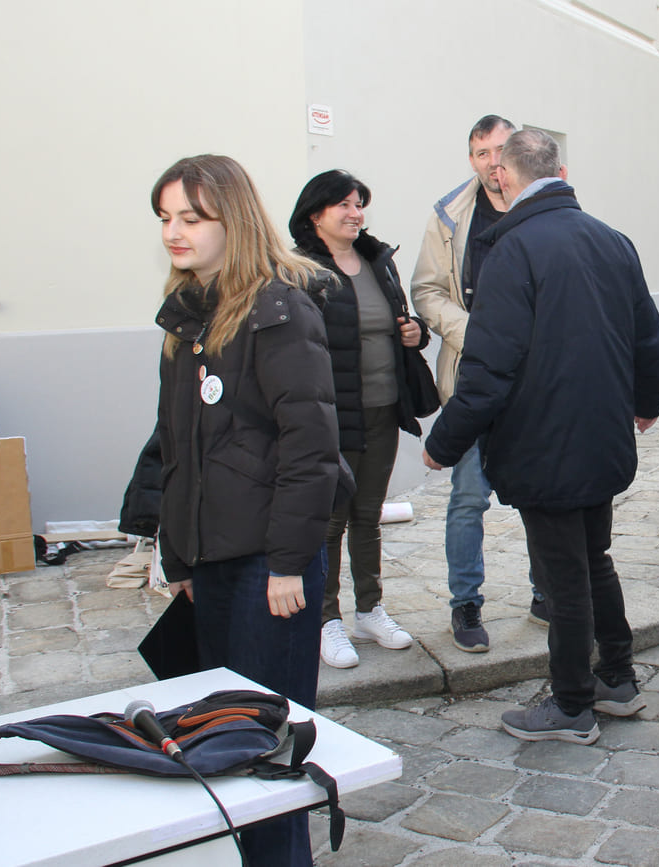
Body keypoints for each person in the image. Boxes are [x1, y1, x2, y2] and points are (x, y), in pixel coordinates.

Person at [422, 129, 659, 744]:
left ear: (504, 176)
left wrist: (443, 442)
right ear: (559, 171)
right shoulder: (612, 241)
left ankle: (570, 706)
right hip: (600, 437)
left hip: (544, 444)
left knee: (565, 578)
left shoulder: (511, 250)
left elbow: (487, 367)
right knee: (594, 563)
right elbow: (653, 342)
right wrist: (645, 405)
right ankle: (615, 682)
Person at [151, 154, 339, 866]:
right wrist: (180, 557)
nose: (175, 231)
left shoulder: (278, 307)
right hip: (213, 564)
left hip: (270, 568)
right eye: (166, 217)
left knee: (269, 756)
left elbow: (312, 444)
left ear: (234, 219)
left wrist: (289, 562)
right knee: (222, 744)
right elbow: (176, 446)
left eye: (192, 217)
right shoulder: (186, 318)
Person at [411, 115, 548, 653]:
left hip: (533, 383)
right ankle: (465, 604)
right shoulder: (449, 215)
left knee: (540, 496)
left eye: (500, 150)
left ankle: (546, 592)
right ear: (471, 160)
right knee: (468, 499)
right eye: (481, 153)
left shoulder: (538, 207)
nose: (493, 162)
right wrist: (478, 332)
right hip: (472, 378)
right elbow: (426, 290)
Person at [289, 170, 427, 670]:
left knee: (368, 514)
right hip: (330, 413)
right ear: (315, 215)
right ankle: (326, 619)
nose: (355, 213)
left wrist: (416, 331)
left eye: (359, 204)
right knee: (330, 520)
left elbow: (396, 321)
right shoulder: (300, 269)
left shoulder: (376, 261)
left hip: (382, 408)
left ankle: (369, 609)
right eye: (343, 205)